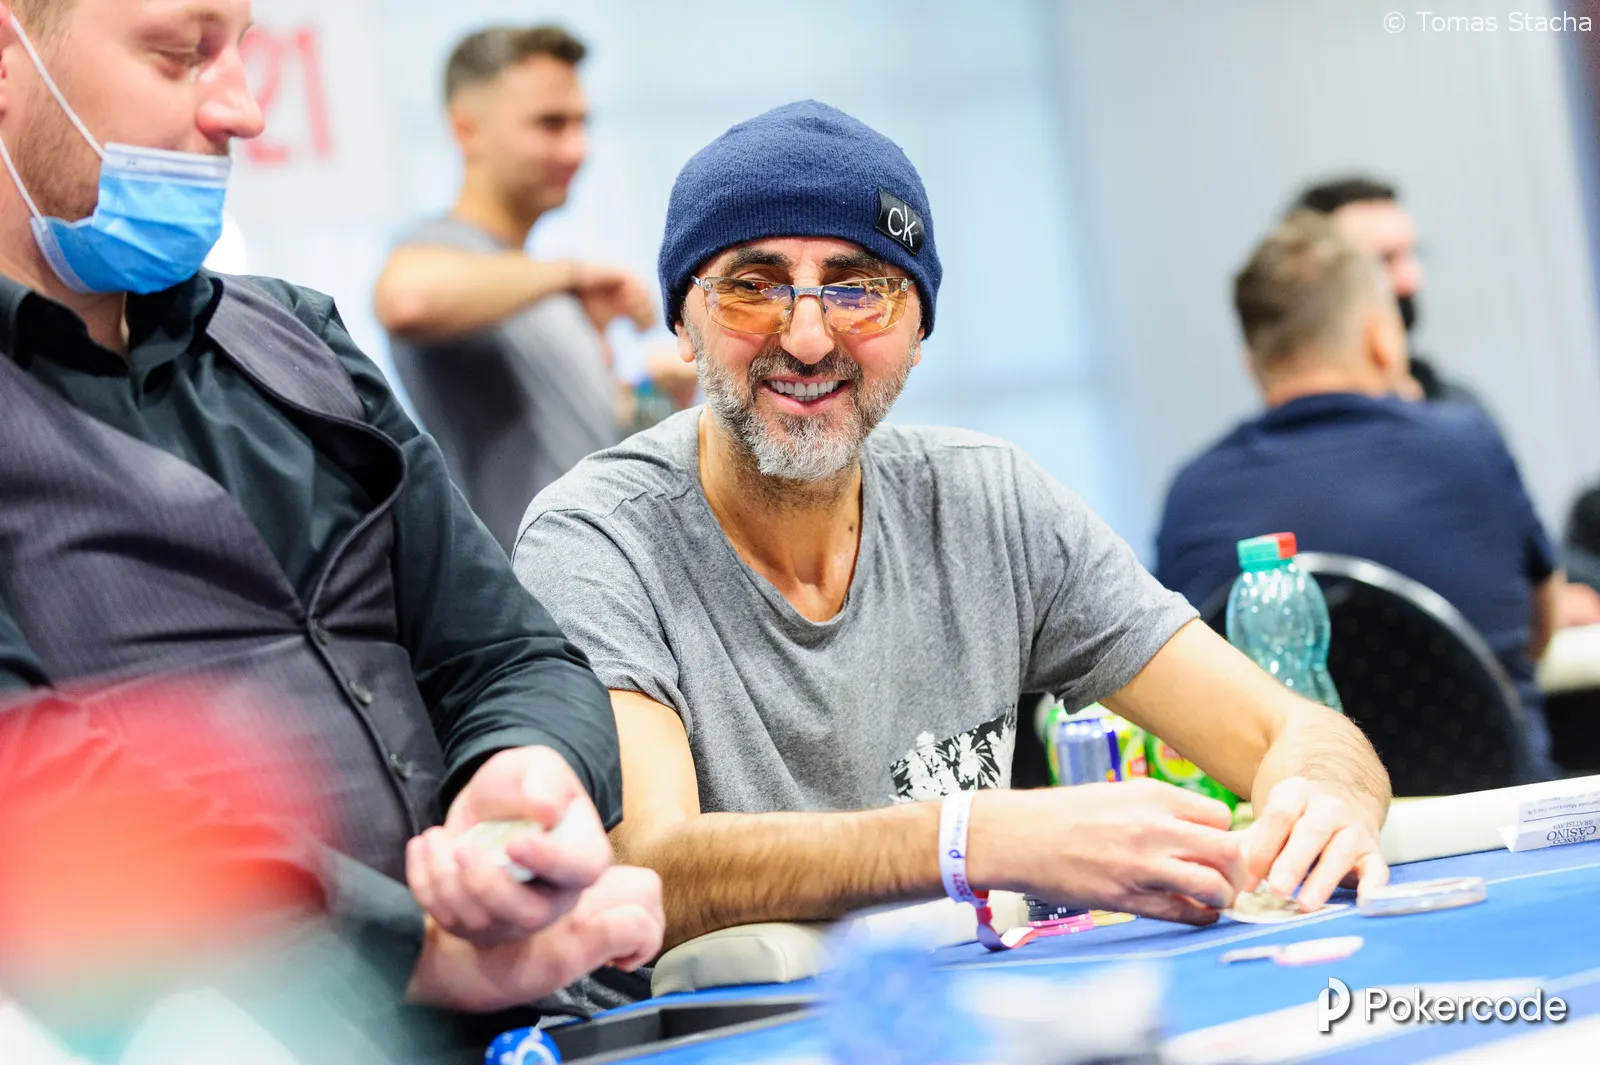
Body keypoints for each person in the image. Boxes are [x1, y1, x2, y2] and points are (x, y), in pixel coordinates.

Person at [503, 101, 1391, 965]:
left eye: (860, 291)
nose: (807, 339)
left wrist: (1322, 798)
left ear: (919, 328)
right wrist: (970, 839)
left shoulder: (989, 503)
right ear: (683, 324)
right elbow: (646, 864)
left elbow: (1293, 732)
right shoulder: (597, 539)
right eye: (753, 288)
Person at [0, 0, 661, 1054]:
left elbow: (506, 651)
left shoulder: (293, 338)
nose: (244, 110)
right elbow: (29, 777)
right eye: (180, 55)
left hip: (531, 1016)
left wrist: (524, 772)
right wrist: (415, 946)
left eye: (241, 54)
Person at [1154, 211, 1564, 779]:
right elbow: (1541, 627)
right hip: (1496, 811)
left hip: (1295, 823)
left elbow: (1182, 693)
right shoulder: (1467, 445)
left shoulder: (1193, 494)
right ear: (1380, 338)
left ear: (1253, 364)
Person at [375, 25, 695, 554]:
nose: (577, 148)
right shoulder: (442, 250)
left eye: (581, 124)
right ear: (467, 131)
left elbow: (597, 445)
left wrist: (657, 393)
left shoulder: (534, 283)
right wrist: (569, 276)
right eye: (551, 124)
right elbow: (404, 300)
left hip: (602, 572)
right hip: (524, 585)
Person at [1295, 176, 1482, 408]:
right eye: (1384, 260)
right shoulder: (1306, 424)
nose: (1412, 279)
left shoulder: (1457, 407)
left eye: (1411, 254)